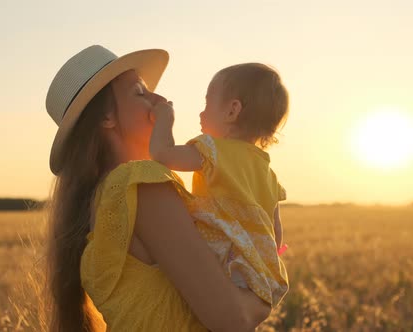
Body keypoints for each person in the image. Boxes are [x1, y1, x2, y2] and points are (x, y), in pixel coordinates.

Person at [44, 45, 272, 332]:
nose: (161, 99)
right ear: (106, 118)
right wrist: (266, 296)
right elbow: (234, 320)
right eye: (140, 92)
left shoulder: (105, 197)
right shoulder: (140, 184)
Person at [149, 63, 290, 308]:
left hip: (214, 264)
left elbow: (162, 154)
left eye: (207, 104)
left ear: (232, 111)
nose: (201, 113)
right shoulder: (269, 172)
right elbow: (275, 231)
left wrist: (164, 118)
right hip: (254, 277)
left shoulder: (212, 151)